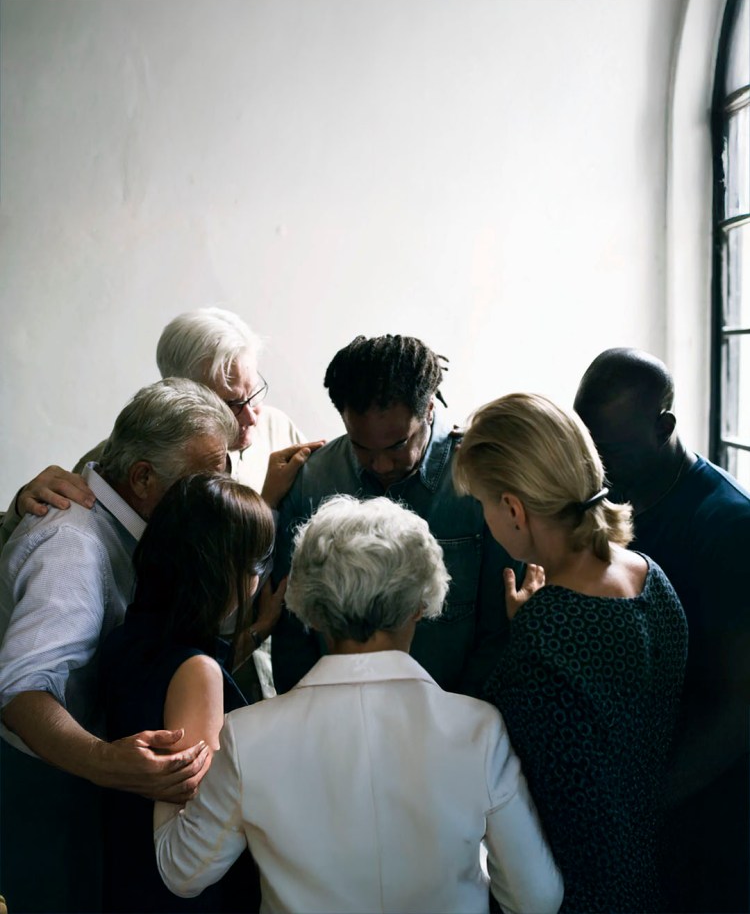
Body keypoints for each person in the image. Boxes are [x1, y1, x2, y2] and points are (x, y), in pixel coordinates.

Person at [153, 495, 564, 914]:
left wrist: (169, 767)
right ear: (422, 605)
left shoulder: (247, 736)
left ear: (310, 610)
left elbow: (183, 872)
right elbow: (536, 898)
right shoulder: (478, 729)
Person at [0, 378, 240, 913]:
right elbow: (21, 693)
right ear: (142, 478)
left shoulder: (133, 519)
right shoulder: (75, 546)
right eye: (206, 477)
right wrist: (106, 763)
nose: (218, 489)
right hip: (47, 792)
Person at [453, 392, 687, 913]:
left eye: (485, 503)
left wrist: (528, 630)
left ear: (513, 509)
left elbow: (514, 776)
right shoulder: (652, 577)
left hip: (577, 887)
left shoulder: (545, 631)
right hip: (651, 867)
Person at [574, 347, 750, 914]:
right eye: (587, 445)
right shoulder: (615, 498)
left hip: (707, 810)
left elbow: (737, 710)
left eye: (611, 449)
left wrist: (641, 807)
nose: (595, 467)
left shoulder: (728, 527)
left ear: (665, 426)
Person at [272, 334, 521, 696]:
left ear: (430, 408)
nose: (381, 464)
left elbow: (497, 630)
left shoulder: (481, 479)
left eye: (398, 445)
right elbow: (293, 630)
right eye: (360, 446)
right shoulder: (310, 481)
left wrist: (460, 720)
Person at [101, 472, 280, 913]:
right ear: (229, 572)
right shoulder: (196, 671)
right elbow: (194, 830)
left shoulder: (130, 637)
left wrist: (257, 631)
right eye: (255, 565)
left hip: (121, 870)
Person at [0, 307, 322, 547]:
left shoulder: (278, 429)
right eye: (231, 404)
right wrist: (20, 510)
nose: (252, 417)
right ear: (180, 392)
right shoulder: (118, 463)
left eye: (254, 393)